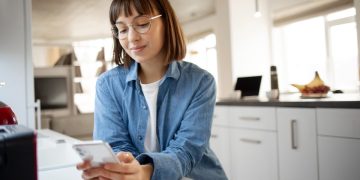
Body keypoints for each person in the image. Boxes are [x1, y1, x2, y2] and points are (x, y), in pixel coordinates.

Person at [76, 0, 227, 179]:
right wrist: (116, 169)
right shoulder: (107, 85)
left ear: (166, 22)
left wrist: (143, 173)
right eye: (122, 29)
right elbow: (115, 146)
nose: (132, 38)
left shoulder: (201, 82)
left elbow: (186, 151)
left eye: (142, 24)